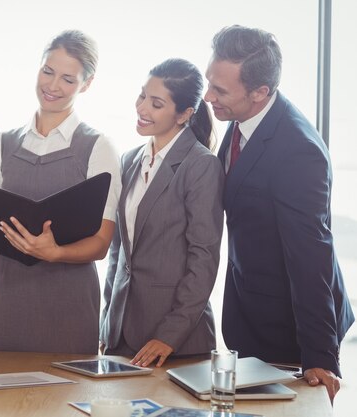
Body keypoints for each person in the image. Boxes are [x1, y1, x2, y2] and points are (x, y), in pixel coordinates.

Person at [204, 25, 354, 401]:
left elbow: (311, 254)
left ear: (260, 93)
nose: (208, 96)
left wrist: (320, 355)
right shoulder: (240, 120)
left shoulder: (297, 151)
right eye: (209, 83)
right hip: (249, 310)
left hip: (290, 326)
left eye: (220, 90)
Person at [0, 29, 121, 354]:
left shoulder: (98, 148)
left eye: (68, 79)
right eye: (48, 71)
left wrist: (55, 253)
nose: (53, 86)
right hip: (8, 297)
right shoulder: (0, 144)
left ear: (86, 84)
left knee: (66, 401)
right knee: (3, 397)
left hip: (69, 300)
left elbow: (101, 243)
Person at [100, 58, 224, 367]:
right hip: (121, 337)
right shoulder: (129, 160)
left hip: (176, 343)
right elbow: (119, 253)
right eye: (142, 96)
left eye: (156, 104)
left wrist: (169, 335)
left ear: (184, 114)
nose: (141, 108)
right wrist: (107, 322)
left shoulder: (201, 165)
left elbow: (204, 260)